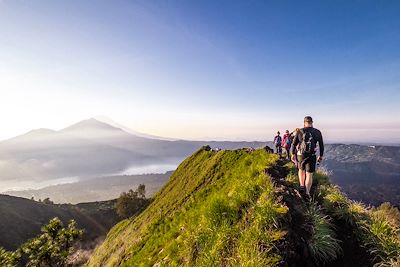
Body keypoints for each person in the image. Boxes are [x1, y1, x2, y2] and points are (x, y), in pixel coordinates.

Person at [291, 116, 324, 198]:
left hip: (300, 155)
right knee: (309, 174)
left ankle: (302, 185)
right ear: (312, 122)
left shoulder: (300, 131)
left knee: (301, 170)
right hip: (311, 155)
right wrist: (321, 155)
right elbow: (321, 145)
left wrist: (292, 154)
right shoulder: (317, 132)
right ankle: (307, 192)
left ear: (304, 123)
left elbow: (294, 144)